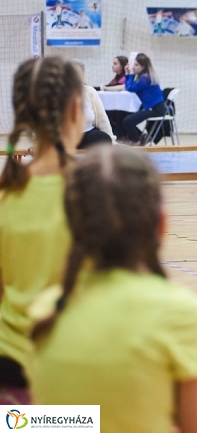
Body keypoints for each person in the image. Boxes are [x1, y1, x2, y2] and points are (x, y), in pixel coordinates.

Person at [30, 147, 197, 433]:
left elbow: (45, 422)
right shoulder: (182, 314)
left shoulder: (45, 312)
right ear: (162, 224)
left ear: (73, 227)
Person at [0, 56, 85, 404]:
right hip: (77, 362)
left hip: (10, 363)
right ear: (77, 109)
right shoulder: (96, 189)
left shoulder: (6, 192)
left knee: (28, 426)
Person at [122, 53, 166, 145]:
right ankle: (141, 137)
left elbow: (130, 88)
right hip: (151, 107)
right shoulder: (142, 76)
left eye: (136, 65)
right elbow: (128, 87)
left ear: (143, 66)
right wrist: (127, 74)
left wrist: (130, 73)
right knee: (124, 117)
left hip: (156, 109)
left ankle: (136, 141)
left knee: (128, 120)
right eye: (133, 64)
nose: (133, 67)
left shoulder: (146, 78)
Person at [70, 59, 114, 148]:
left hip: (87, 133)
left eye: (78, 74)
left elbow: (102, 118)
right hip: (67, 135)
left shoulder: (90, 91)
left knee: (104, 139)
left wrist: (112, 140)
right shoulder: (57, 92)